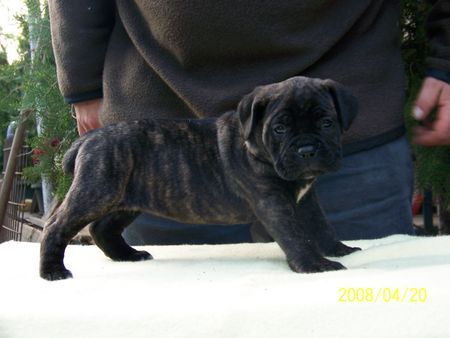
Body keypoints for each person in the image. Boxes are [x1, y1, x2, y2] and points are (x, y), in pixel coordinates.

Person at [48, 0, 450, 243]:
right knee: (176, 320)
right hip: (164, 138)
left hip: (353, 131)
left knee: (359, 310)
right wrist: (83, 82)